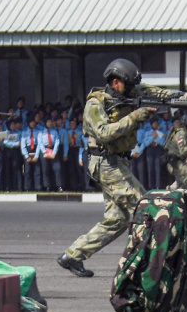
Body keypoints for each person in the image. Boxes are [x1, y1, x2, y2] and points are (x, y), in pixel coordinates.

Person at [58, 59, 159, 277]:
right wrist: (134, 117)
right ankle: (149, 264)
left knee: (117, 220)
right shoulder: (95, 104)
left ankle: (73, 255)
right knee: (145, 209)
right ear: (115, 82)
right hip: (106, 163)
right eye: (128, 85)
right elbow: (103, 133)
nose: (132, 89)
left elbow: (160, 93)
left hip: (117, 162)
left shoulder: (125, 94)